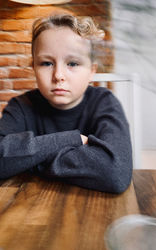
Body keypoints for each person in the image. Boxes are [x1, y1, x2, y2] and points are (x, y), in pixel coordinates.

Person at [0, 14, 133, 193]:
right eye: (46, 63)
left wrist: (28, 161)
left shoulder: (104, 102)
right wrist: (72, 139)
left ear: (91, 71)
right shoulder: (21, 106)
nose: (58, 75)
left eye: (72, 63)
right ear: (34, 68)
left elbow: (114, 172)